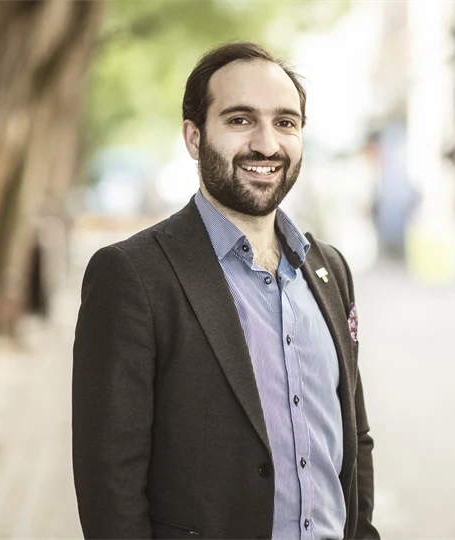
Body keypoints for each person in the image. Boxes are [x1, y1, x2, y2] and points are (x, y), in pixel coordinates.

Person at [72, 41, 380, 540]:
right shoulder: (132, 275)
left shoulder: (330, 270)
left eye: (285, 122)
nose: (266, 144)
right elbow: (109, 476)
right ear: (195, 138)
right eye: (240, 120)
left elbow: (353, 436)